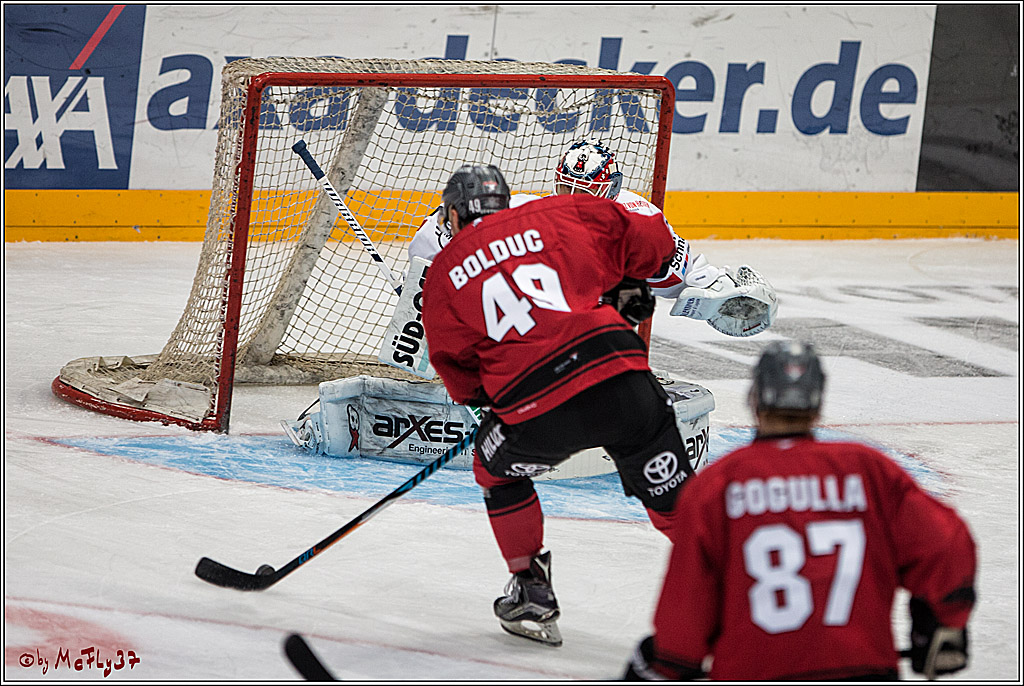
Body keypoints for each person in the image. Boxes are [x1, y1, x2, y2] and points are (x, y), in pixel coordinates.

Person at [420, 163, 695, 647]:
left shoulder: (443, 271)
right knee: (675, 502)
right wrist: (628, 288)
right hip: (622, 378)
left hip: (537, 405)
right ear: (503, 203)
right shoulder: (558, 212)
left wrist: (493, 402)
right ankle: (745, 583)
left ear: (455, 215)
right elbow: (654, 239)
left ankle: (532, 592)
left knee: (493, 468)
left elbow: (457, 370)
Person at [624, 341, 977, 681]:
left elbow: (686, 607)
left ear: (754, 399)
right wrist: (942, 621)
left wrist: (668, 663)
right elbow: (948, 546)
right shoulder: (869, 471)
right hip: (864, 669)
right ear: (817, 404)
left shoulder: (719, 485)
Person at [409, 141, 777, 336]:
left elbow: (686, 279)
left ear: (610, 192)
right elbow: (431, 238)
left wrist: (719, 294)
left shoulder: (640, 224)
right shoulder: (528, 211)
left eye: (583, 193)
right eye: (565, 188)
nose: (572, 201)